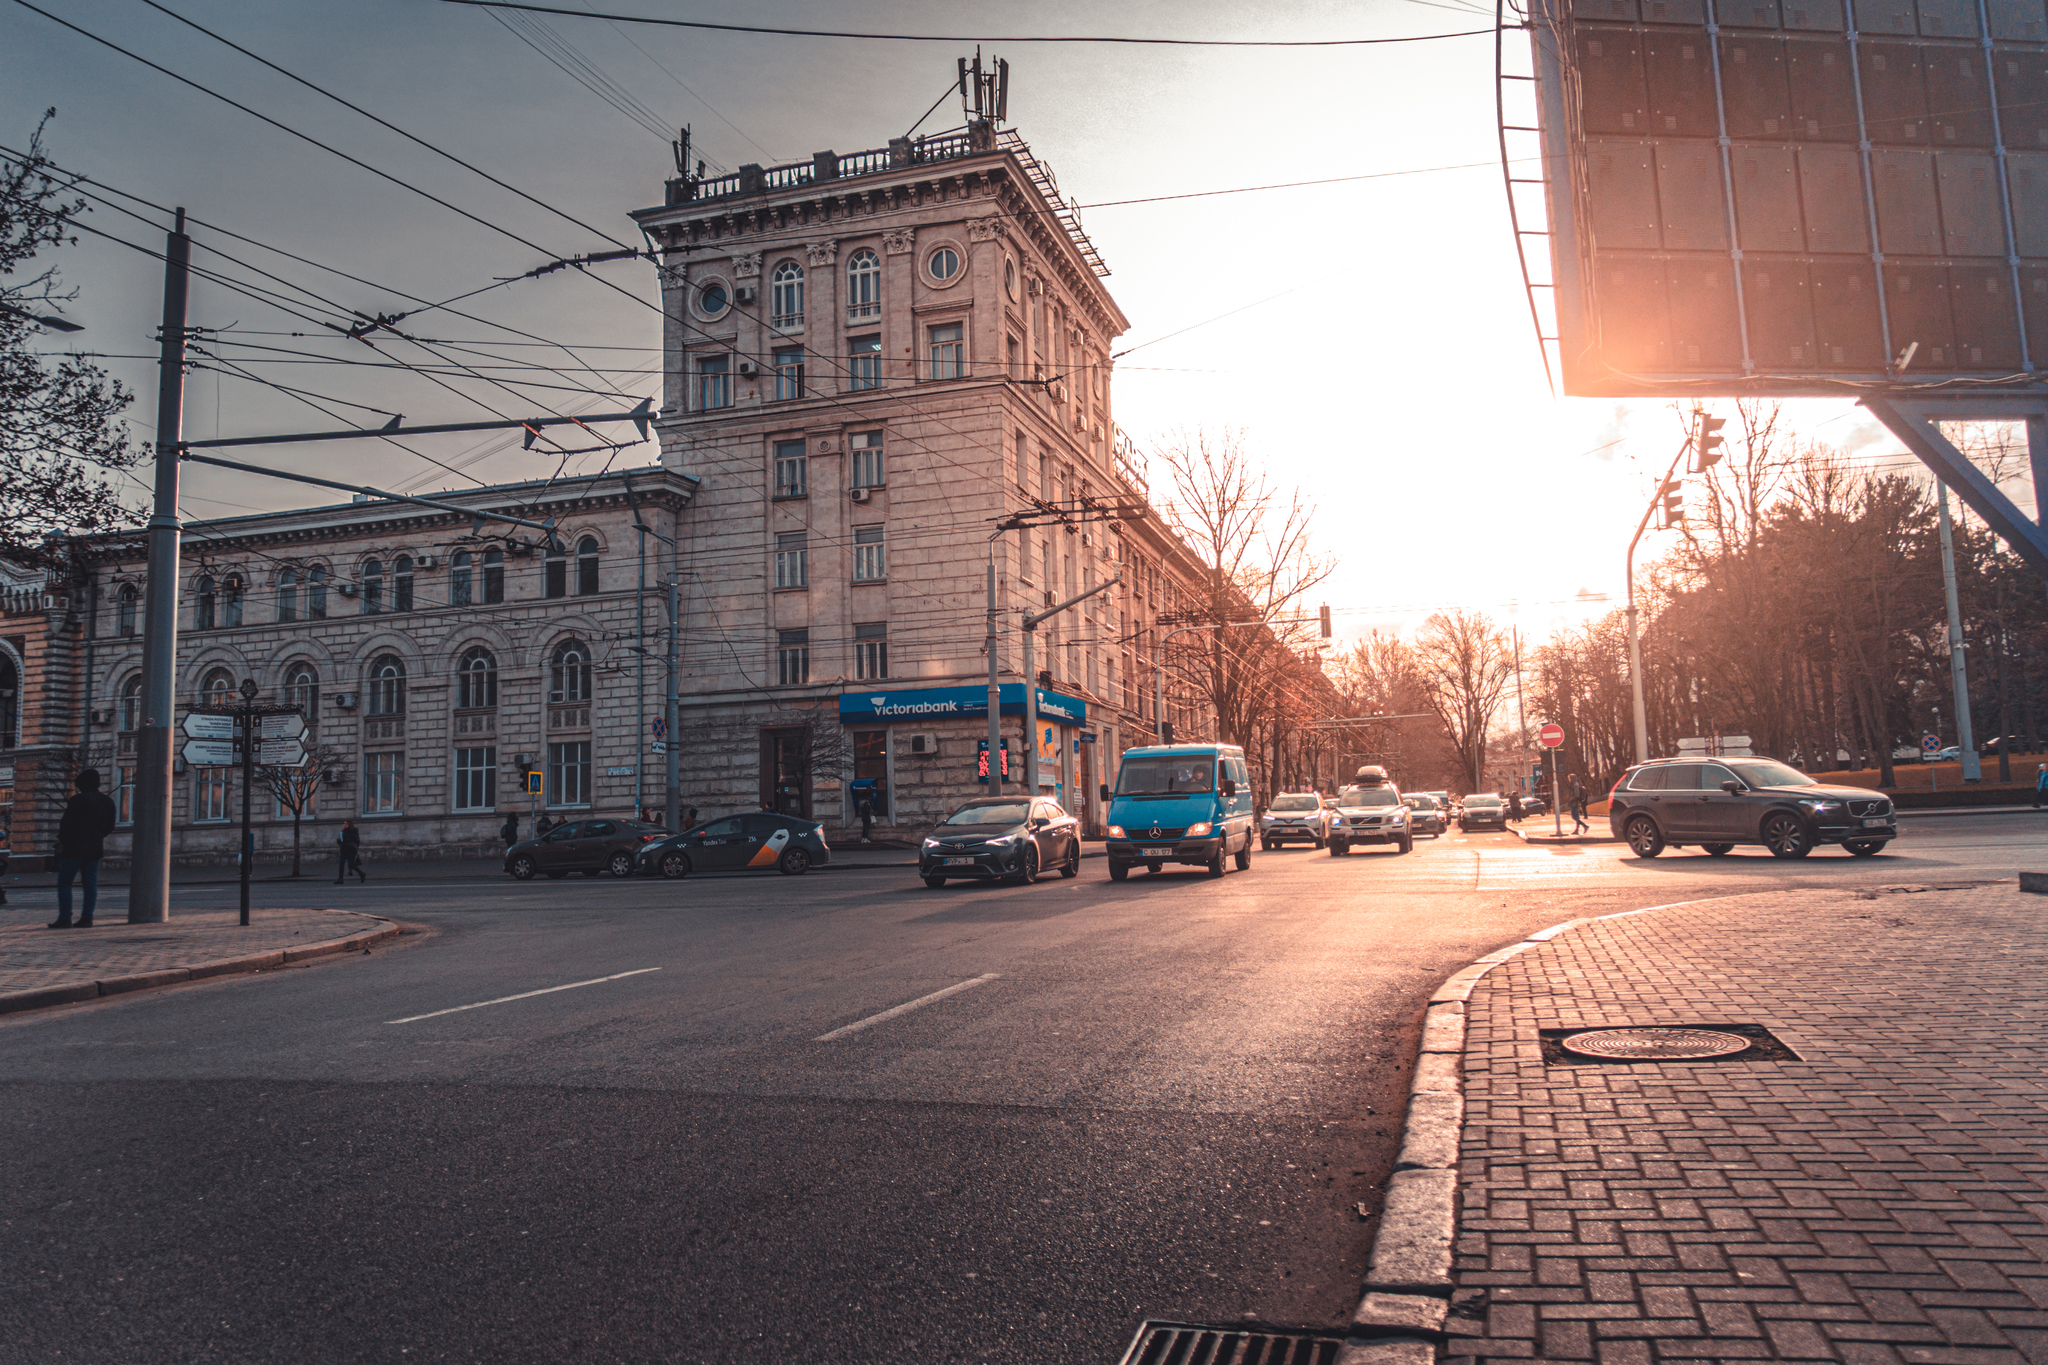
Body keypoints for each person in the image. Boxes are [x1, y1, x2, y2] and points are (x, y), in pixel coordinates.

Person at [49, 768, 117, 929]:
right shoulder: (107, 801)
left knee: (65, 882)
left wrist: (63, 841)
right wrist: (97, 836)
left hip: (73, 848)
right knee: (90, 883)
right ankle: (87, 918)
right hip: (94, 848)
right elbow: (110, 826)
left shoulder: (77, 800)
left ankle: (65, 918)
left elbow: (66, 825)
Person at [335, 818, 366, 884]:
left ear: (349, 824)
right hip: (343, 850)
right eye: (344, 823)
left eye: (346, 823)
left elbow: (357, 841)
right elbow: (340, 842)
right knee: (341, 864)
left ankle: (362, 874)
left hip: (350, 851)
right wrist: (338, 839)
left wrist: (352, 847)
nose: (345, 825)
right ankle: (340, 879)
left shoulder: (353, 831)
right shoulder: (343, 831)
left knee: (351, 865)